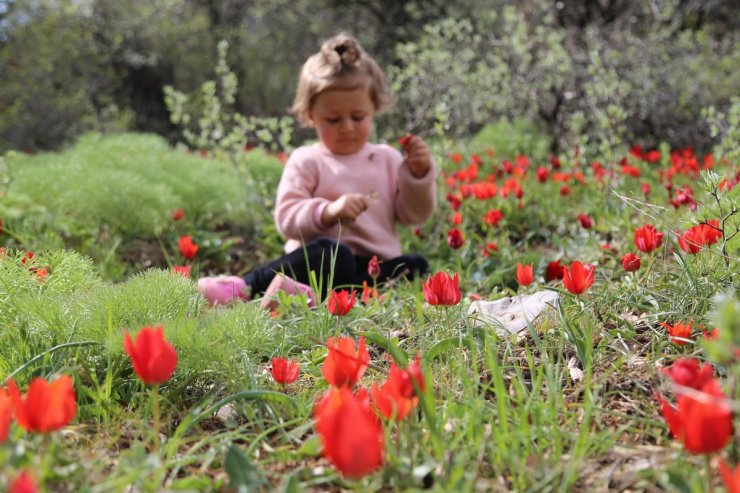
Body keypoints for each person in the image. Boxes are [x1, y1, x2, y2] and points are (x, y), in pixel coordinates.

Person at [198, 32, 437, 306]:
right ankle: (247, 287)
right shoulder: (307, 160)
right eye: (333, 119)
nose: (347, 126)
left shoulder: (388, 159)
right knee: (333, 252)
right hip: (320, 261)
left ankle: (307, 298)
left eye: (358, 117)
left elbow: (414, 215)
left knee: (415, 264)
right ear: (311, 116)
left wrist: (418, 176)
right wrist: (327, 212)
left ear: (374, 108)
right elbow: (286, 219)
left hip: (371, 270)